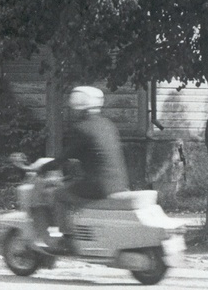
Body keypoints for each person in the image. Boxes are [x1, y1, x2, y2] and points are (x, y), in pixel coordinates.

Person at [23, 86, 130, 249]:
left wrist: (42, 169)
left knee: (59, 195)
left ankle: (66, 239)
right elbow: (93, 154)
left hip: (99, 185)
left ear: (78, 107)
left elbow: (64, 158)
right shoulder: (107, 124)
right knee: (73, 189)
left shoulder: (81, 128)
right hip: (119, 183)